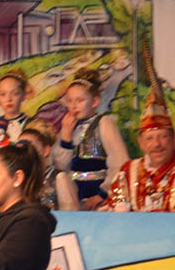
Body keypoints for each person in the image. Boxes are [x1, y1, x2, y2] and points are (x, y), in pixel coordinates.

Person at [102, 86, 175, 212]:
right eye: (149, 138)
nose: (156, 144)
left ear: (174, 140)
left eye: (163, 136)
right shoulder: (128, 172)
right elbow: (112, 209)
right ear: (141, 143)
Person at [51, 69, 129, 210]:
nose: (74, 106)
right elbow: (60, 168)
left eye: (80, 100)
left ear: (94, 101)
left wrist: (102, 194)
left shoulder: (104, 123)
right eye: (70, 101)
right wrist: (66, 140)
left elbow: (120, 162)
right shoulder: (67, 127)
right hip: (73, 196)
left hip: (99, 196)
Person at [19, 119, 76, 211]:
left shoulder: (59, 178)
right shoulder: (18, 180)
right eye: (20, 147)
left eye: (30, 146)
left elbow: (70, 216)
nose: (24, 151)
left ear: (46, 150)